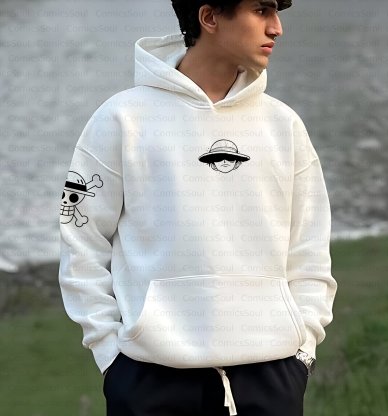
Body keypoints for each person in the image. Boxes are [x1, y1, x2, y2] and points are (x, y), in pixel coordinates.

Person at [58, 0, 338, 415]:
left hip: (272, 378)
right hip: (149, 381)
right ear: (209, 17)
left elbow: (310, 249)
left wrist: (303, 352)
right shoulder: (121, 119)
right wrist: (110, 356)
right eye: (261, 10)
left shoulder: (284, 125)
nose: (276, 28)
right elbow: (81, 240)